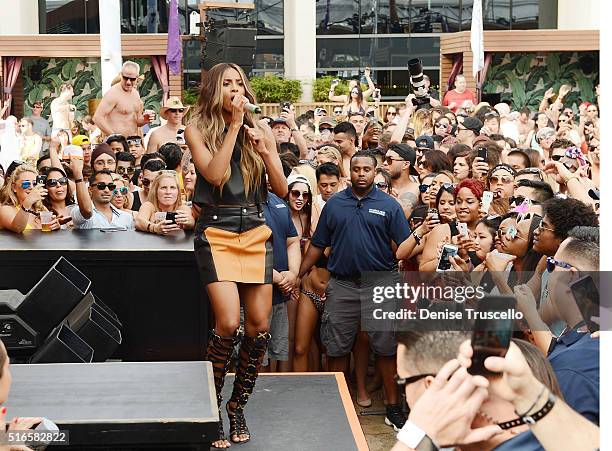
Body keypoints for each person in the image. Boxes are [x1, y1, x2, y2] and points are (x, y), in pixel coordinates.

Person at [184, 63, 286, 448]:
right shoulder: (197, 129)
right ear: (213, 89)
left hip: (256, 230)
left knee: (259, 327)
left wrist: (267, 149)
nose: (234, 89)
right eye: (226, 83)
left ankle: (237, 405)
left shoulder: (258, 131)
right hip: (217, 231)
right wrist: (233, 126)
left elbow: (278, 188)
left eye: (239, 82)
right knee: (228, 323)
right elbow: (213, 174)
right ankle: (211, 404)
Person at [298, 150, 410, 431]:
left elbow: (406, 245)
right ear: (349, 172)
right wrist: (297, 275)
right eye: (356, 169)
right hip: (343, 284)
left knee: (385, 349)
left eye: (366, 169)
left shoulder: (389, 205)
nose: (361, 173)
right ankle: (336, 403)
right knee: (336, 346)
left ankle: (393, 407)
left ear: (375, 172)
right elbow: (317, 244)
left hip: (381, 283)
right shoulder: (334, 205)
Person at [261, 190, 300, 372]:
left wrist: (292, 273)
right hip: (252, 296)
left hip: (279, 296)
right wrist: (274, 275)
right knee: (253, 357)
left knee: (275, 354)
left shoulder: (278, 201)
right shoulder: (237, 203)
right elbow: (238, 249)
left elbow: (292, 241)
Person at [69, 157, 135, 230]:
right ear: (90, 190)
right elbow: (87, 211)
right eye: (101, 186)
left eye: (111, 186)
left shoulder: (126, 217)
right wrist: (78, 176)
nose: (106, 190)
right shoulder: (77, 212)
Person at [93, 61, 152, 137]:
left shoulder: (136, 94)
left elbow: (137, 121)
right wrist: (115, 137)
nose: (128, 82)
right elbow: (97, 118)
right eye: (125, 78)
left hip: (132, 142)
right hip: (117, 145)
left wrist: (146, 119)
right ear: (121, 75)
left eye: (132, 79)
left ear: (137, 78)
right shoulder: (113, 93)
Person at [0, 164, 60, 233]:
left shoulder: (41, 209)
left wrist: (56, 226)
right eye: (26, 184)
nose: (31, 187)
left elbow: (48, 234)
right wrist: (28, 201)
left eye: (34, 184)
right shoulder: (5, 209)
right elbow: (18, 228)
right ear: (14, 187)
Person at [135, 170, 194, 235]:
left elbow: (191, 221)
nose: (168, 192)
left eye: (172, 188)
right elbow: (138, 222)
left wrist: (189, 222)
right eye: (163, 188)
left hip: (176, 244)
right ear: (155, 191)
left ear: (178, 192)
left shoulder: (182, 207)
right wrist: (155, 228)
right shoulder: (149, 206)